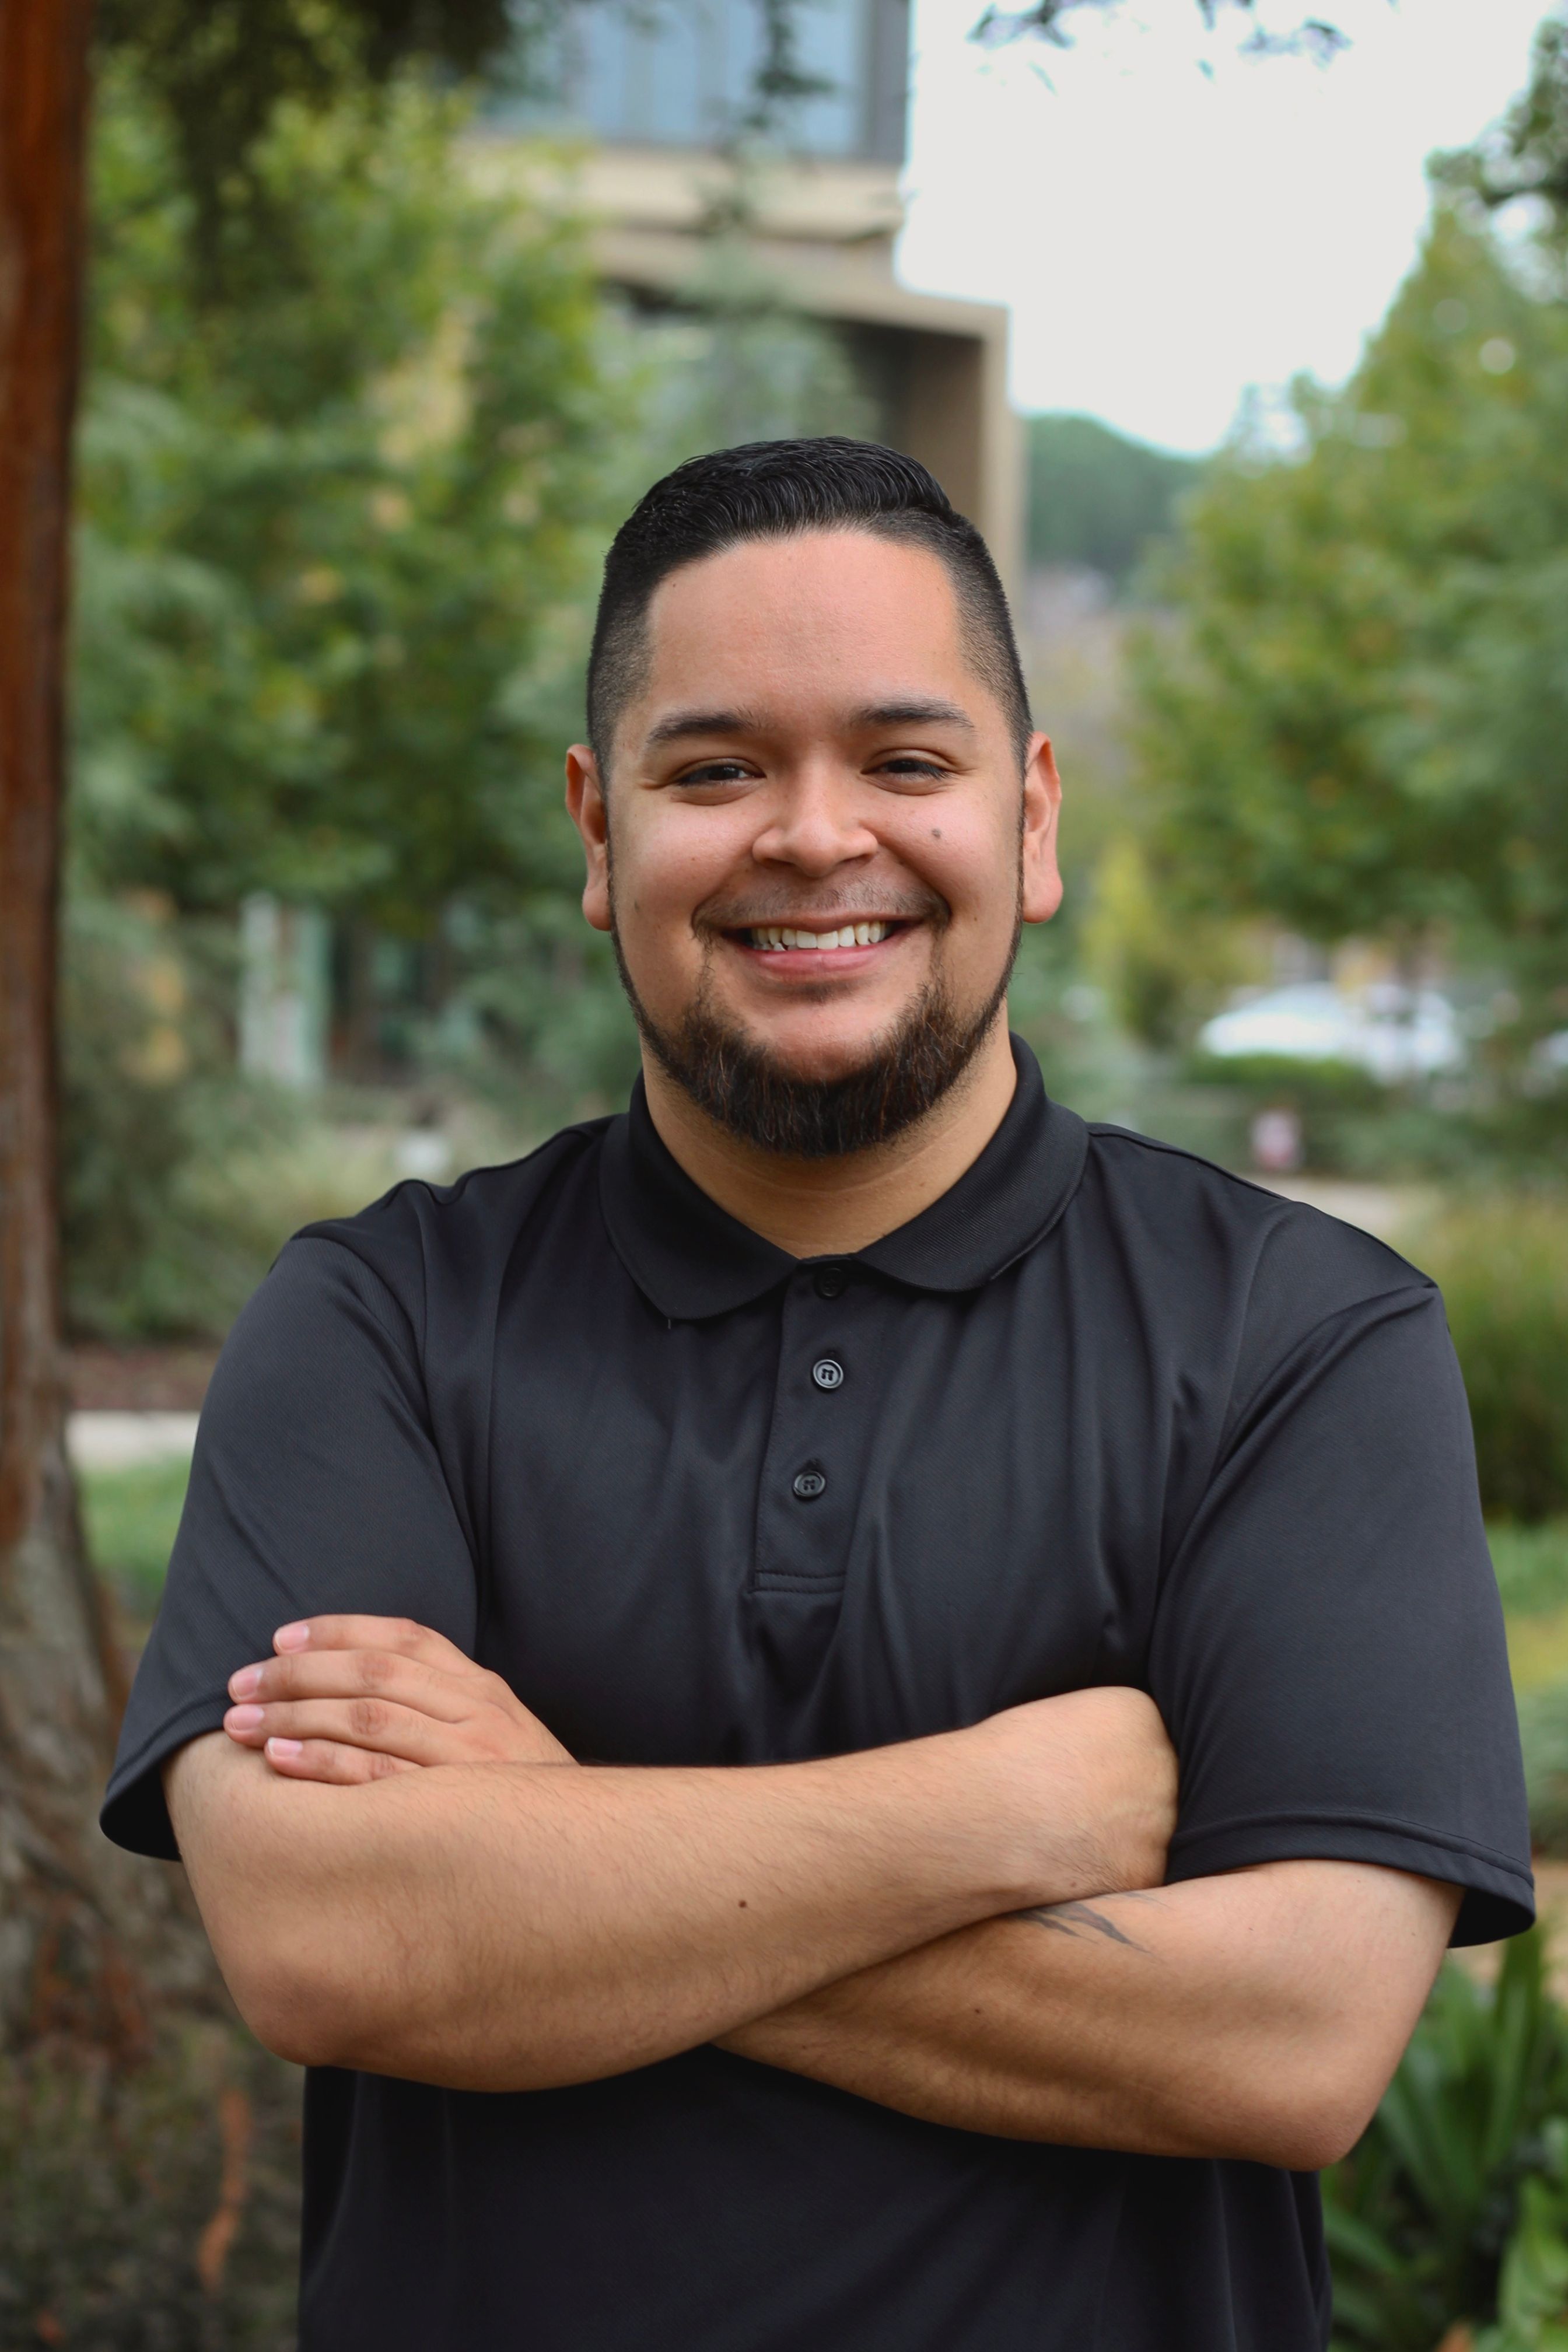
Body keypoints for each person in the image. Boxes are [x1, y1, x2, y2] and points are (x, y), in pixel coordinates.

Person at [103, 438, 1532, 2352]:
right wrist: (1002, 1811)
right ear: (600, 837)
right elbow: (335, 1941)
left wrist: (548, 1836)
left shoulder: (1301, 1341)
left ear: (1030, 821)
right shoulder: (380, 1323)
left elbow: (1289, 2043)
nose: (812, 835)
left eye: (903, 760)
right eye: (714, 770)